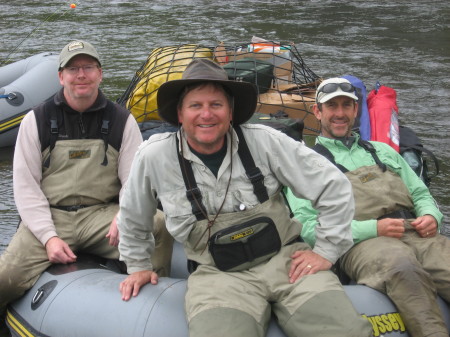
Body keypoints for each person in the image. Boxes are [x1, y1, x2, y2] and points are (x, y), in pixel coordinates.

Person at [117, 59, 372, 337]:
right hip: (218, 277)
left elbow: (333, 186)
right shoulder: (153, 155)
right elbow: (133, 215)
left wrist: (326, 250)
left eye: (216, 105)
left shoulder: (265, 141)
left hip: (289, 264)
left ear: (230, 112)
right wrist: (138, 266)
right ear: (180, 113)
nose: (206, 114)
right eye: (195, 106)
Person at [0, 40, 173, 333]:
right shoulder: (36, 120)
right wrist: (49, 238)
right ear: (61, 76)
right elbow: (26, 190)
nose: (82, 75)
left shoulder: (122, 120)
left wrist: (125, 215)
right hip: (50, 217)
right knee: (5, 281)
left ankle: (153, 300)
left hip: (102, 217)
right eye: (73, 68)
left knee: (158, 224)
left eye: (88, 67)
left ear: (100, 74)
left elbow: (135, 180)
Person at [285, 77, 450, 337]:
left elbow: (420, 193)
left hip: (415, 231)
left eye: (346, 106)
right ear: (317, 112)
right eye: (332, 106)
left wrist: (431, 215)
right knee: (402, 268)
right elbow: (307, 228)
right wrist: (373, 228)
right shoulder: (303, 165)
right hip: (361, 243)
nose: (340, 113)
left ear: (356, 111)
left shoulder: (383, 150)